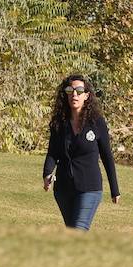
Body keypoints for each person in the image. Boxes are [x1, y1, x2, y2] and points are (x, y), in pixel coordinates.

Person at [43, 74, 120, 231]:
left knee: (78, 230)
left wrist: (114, 189)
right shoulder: (59, 123)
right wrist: (47, 173)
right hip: (63, 189)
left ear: (87, 95)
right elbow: (53, 152)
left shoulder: (97, 122)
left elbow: (107, 156)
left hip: (89, 187)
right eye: (70, 90)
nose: (74, 94)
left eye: (79, 90)